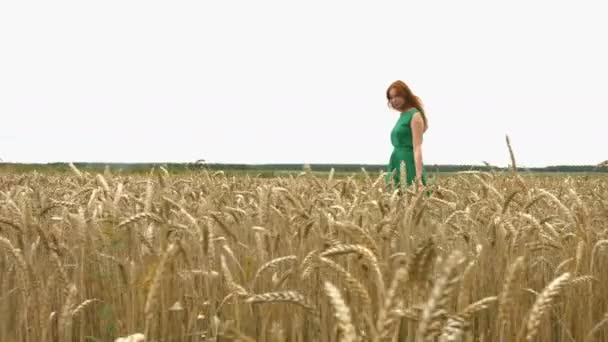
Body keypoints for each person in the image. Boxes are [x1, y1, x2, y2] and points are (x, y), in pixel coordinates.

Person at [384, 80, 428, 191]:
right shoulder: (402, 116)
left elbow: (417, 147)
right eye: (391, 98)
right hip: (395, 162)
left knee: (411, 200)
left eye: (396, 96)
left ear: (405, 94)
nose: (393, 100)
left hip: (408, 163)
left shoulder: (415, 115)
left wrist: (418, 178)